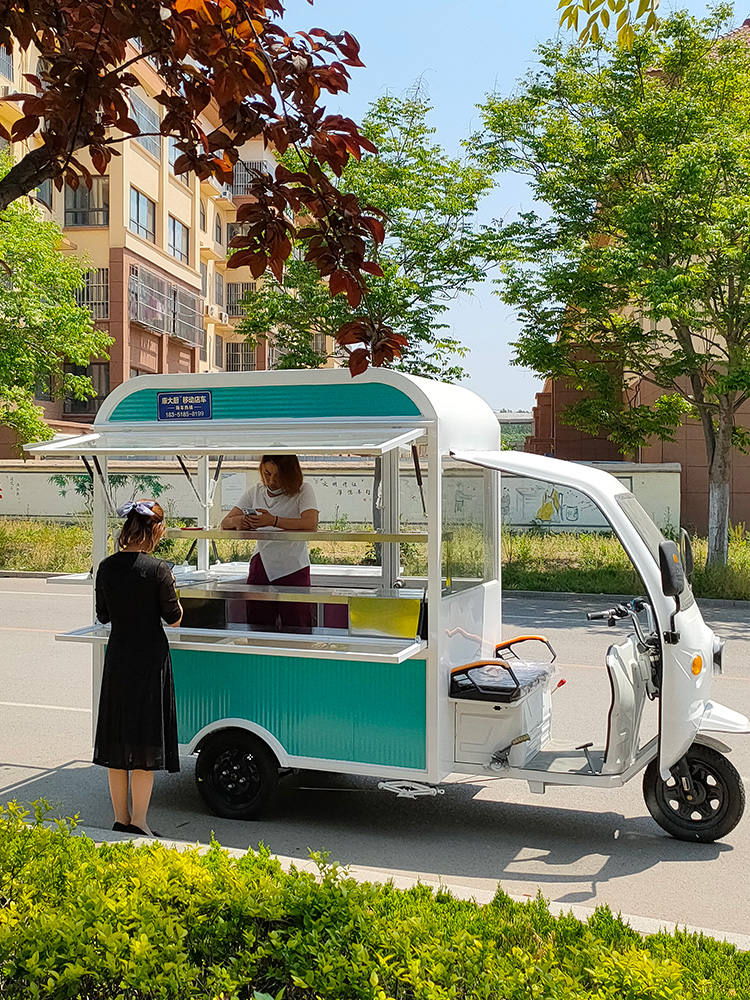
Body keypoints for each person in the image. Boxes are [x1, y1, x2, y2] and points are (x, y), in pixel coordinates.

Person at [93, 499, 183, 837]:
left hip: (118, 657)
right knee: (145, 741)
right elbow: (173, 618)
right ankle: (140, 822)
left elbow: (103, 614)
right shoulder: (159, 570)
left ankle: (121, 818)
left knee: (118, 739)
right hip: (149, 661)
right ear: (154, 530)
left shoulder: (106, 567)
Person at [221, 455, 318, 630]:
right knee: (258, 625)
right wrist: (239, 521)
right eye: (267, 473)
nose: (271, 481)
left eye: (278, 475)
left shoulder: (303, 490)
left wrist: (273, 521)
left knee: (297, 627)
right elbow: (225, 522)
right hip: (261, 565)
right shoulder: (255, 491)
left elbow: (310, 523)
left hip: (294, 566)